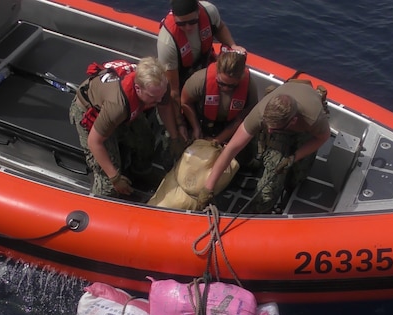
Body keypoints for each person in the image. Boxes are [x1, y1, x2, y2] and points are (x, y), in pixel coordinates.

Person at [196, 81, 331, 213]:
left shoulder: (314, 118)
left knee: (298, 177)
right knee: (275, 166)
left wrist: (294, 157)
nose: (270, 131)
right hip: (282, 127)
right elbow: (231, 149)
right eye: (268, 127)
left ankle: (292, 183)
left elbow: (322, 138)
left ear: (293, 121)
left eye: (273, 129)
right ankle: (261, 209)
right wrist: (208, 188)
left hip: (306, 129)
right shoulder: (260, 114)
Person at [68, 57, 180, 197]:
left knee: (145, 140)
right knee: (108, 181)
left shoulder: (159, 86)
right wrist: (115, 177)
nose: (158, 100)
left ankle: (141, 172)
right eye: (153, 97)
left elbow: (163, 105)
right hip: (93, 112)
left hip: (128, 109)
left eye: (160, 95)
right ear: (138, 88)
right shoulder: (118, 106)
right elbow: (94, 142)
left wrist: (174, 137)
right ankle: (102, 202)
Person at [157, 0, 246, 151]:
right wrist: (180, 123)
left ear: (198, 12)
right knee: (174, 130)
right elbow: (173, 90)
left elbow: (220, 27)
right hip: (178, 77)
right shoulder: (167, 42)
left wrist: (232, 45)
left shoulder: (209, 11)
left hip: (202, 65)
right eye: (181, 24)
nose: (188, 27)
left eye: (192, 22)